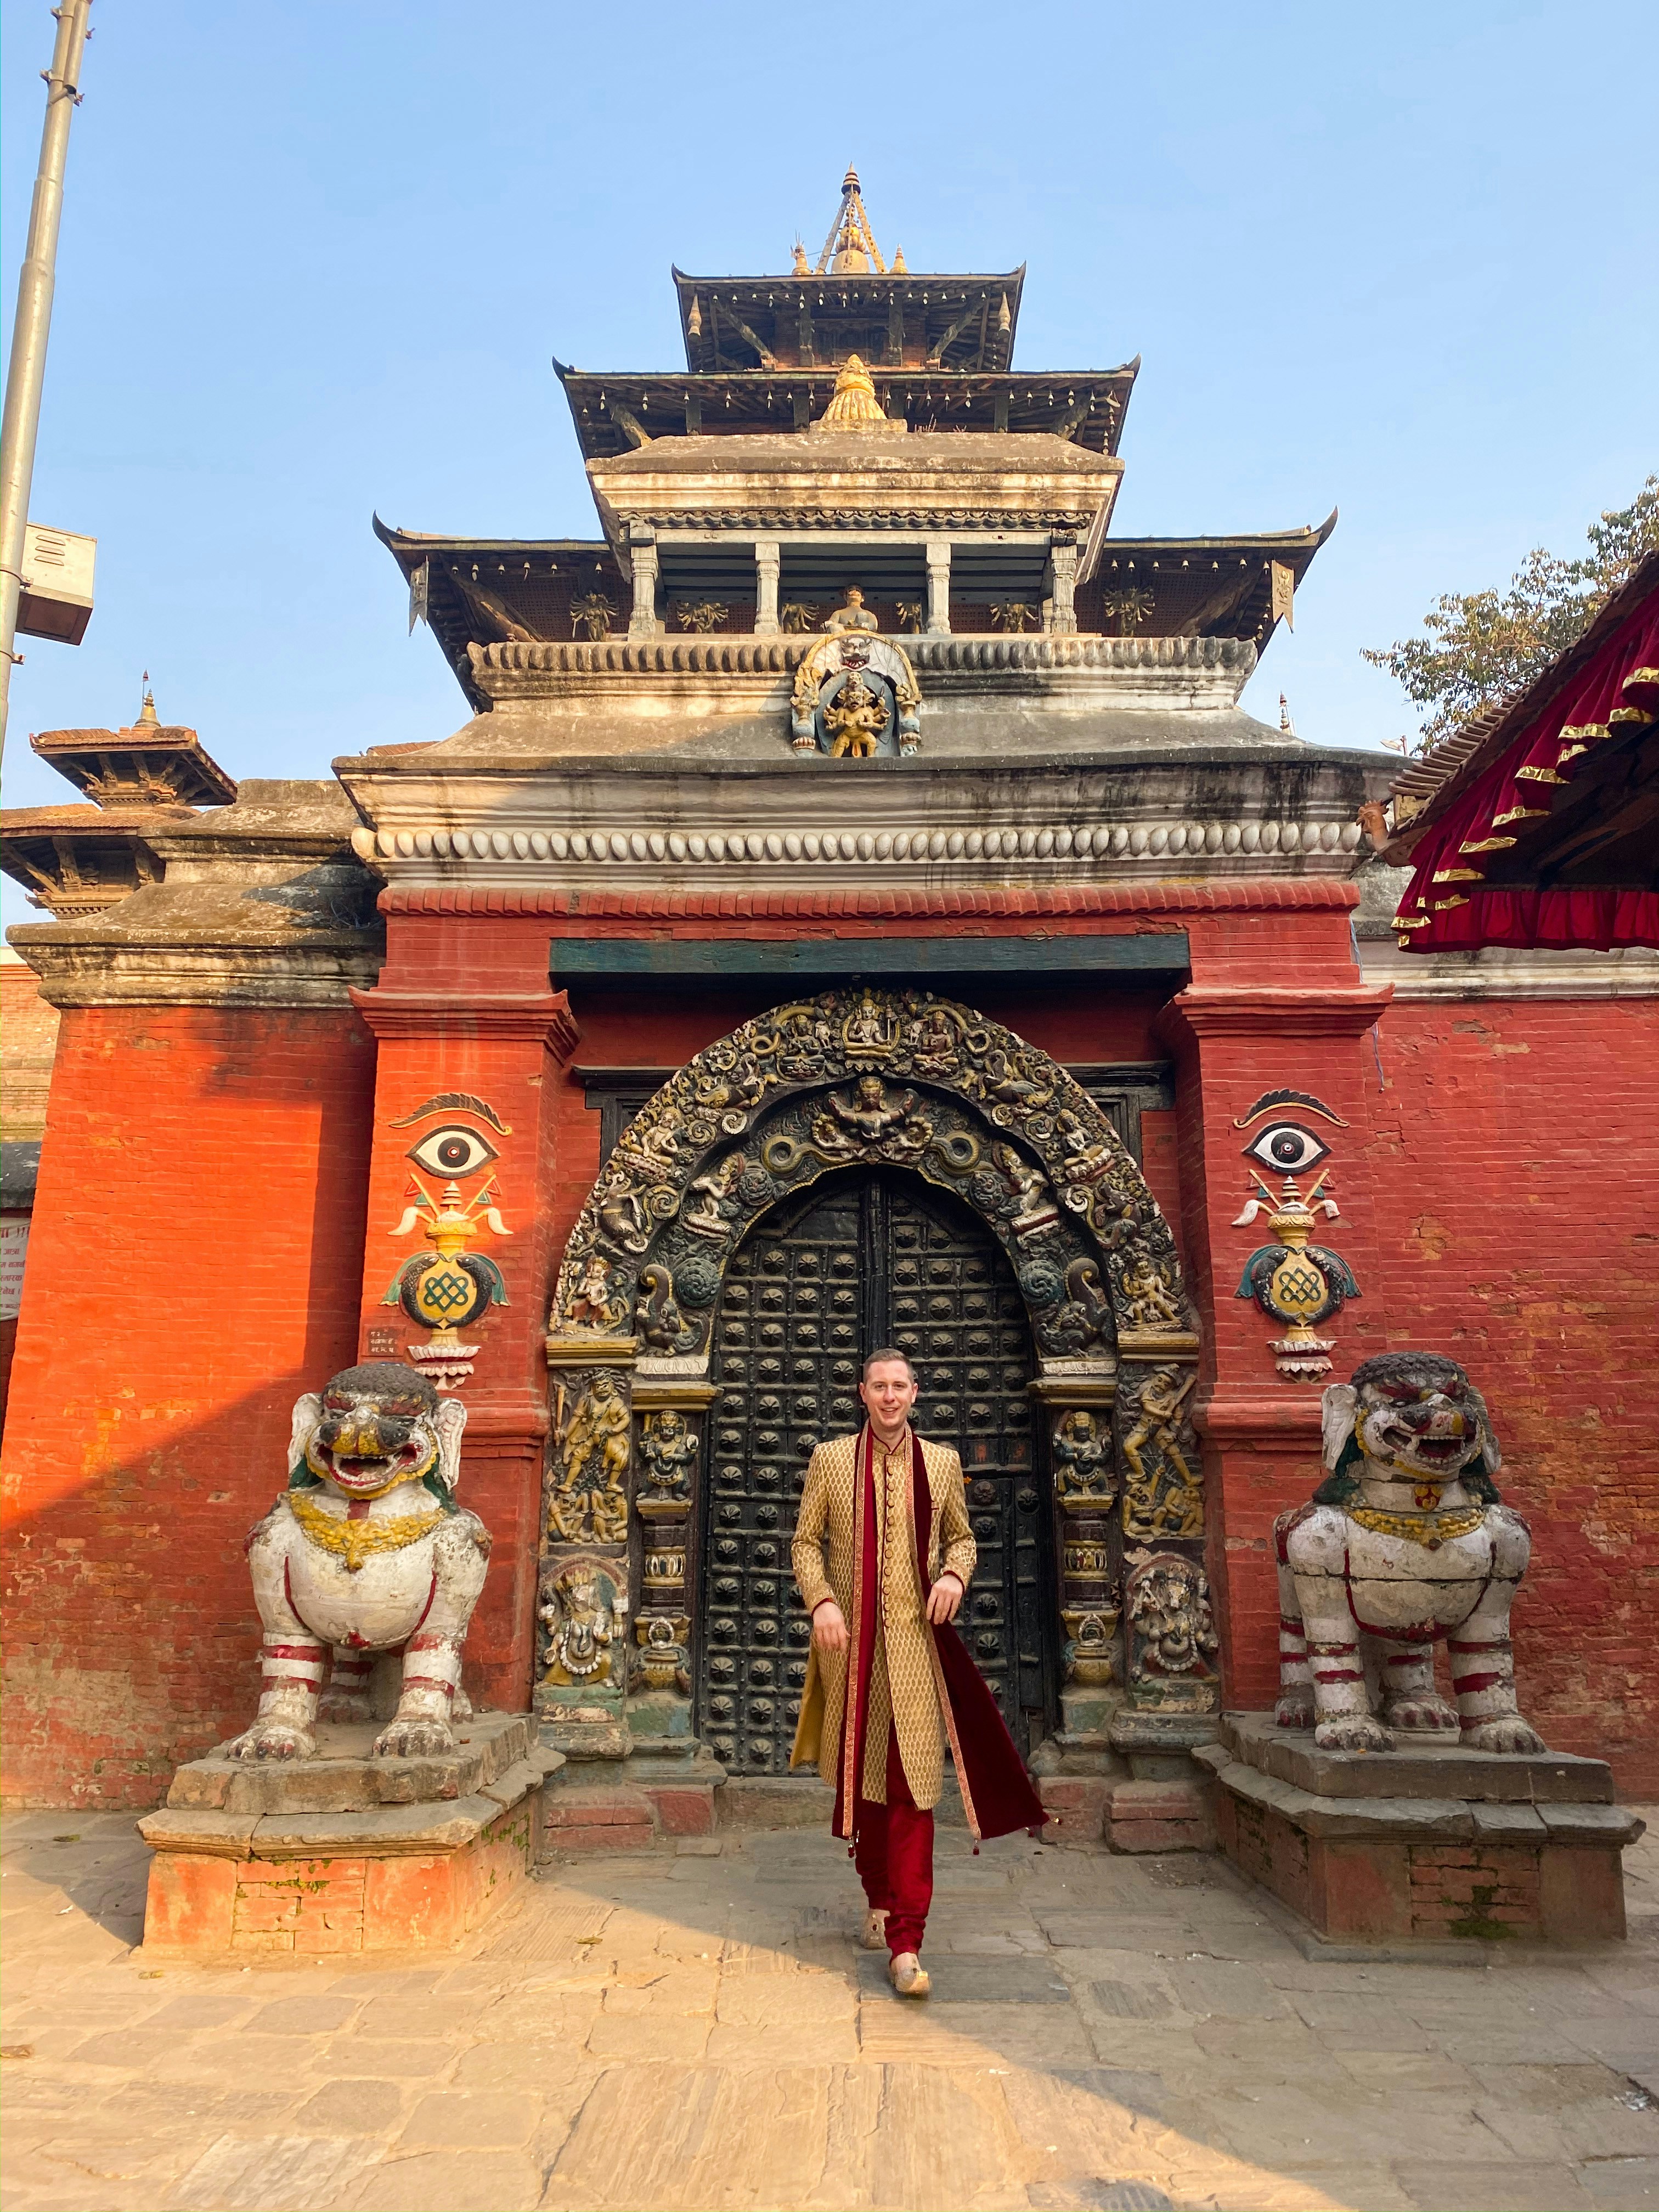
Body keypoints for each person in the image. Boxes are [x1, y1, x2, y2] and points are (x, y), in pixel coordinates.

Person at [790, 1348, 1045, 1997]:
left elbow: (962, 1537)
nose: (890, 1397)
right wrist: (821, 1600)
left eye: (900, 1386)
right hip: (852, 1651)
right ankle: (878, 1893)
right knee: (866, 1783)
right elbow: (803, 1542)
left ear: (916, 1392)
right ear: (862, 1393)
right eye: (879, 1386)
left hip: (913, 1651)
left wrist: (957, 1574)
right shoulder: (830, 1460)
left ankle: (907, 1941)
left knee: (913, 1789)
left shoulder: (941, 1463)